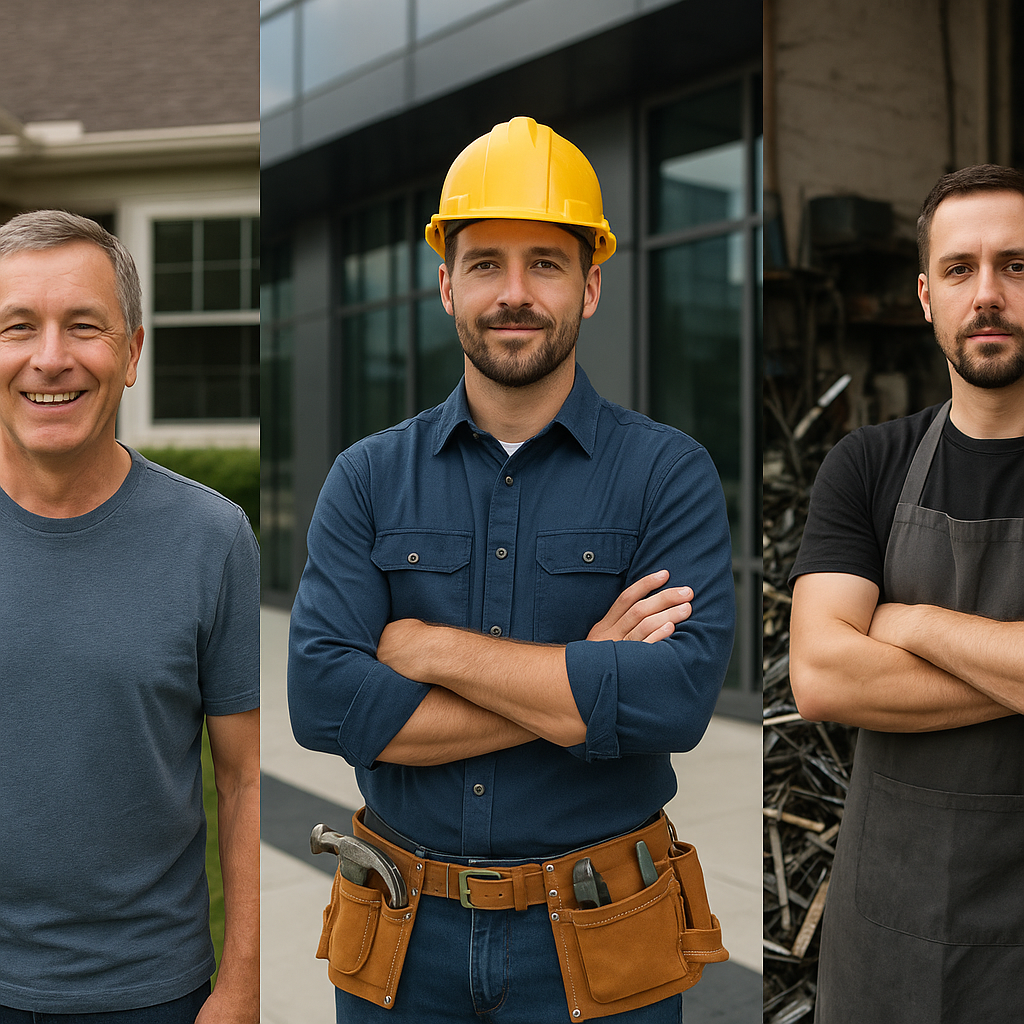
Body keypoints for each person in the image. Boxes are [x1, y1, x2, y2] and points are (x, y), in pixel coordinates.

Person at [288, 116, 735, 1022]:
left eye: (547, 262)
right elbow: (323, 703)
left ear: (592, 285)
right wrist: (580, 678)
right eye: (486, 262)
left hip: (606, 932)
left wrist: (421, 647)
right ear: (446, 284)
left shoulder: (667, 472)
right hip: (402, 943)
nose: (515, 293)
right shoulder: (368, 477)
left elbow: (676, 701)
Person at [0, 211, 259, 1023]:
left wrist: (242, 986)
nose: (50, 357)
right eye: (17, 327)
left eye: (85, 326)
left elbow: (243, 778)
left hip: (155, 994)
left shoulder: (212, 540)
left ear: (134, 352)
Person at [789, 164, 1024, 1023]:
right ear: (927, 296)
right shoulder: (869, 465)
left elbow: (860, 660)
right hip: (891, 932)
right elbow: (822, 677)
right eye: (961, 270)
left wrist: (910, 621)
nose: (988, 294)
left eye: (1017, 266)